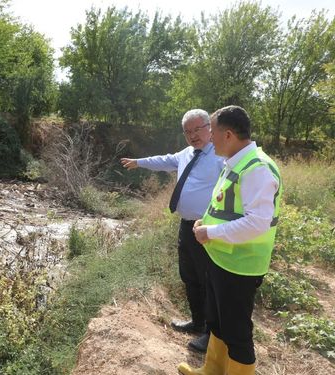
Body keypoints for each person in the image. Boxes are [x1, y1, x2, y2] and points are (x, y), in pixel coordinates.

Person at [178, 105, 282, 375]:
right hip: (221, 258)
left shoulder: (257, 168)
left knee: (237, 333)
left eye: (212, 131)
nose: (209, 137)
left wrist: (209, 233)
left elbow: (257, 223)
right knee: (218, 322)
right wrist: (206, 222)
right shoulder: (233, 161)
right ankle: (212, 370)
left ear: (228, 135)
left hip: (241, 265)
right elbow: (225, 208)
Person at [120, 109, 224, 353]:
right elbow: (164, 160)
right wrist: (138, 163)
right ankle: (197, 322)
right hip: (186, 226)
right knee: (190, 277)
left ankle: (211, 335)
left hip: (207, 229)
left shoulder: (221, 156)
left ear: (209, 127)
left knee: (209, 281)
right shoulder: (186, 153)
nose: (192, 135)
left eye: (197, 129)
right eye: (188, 131)